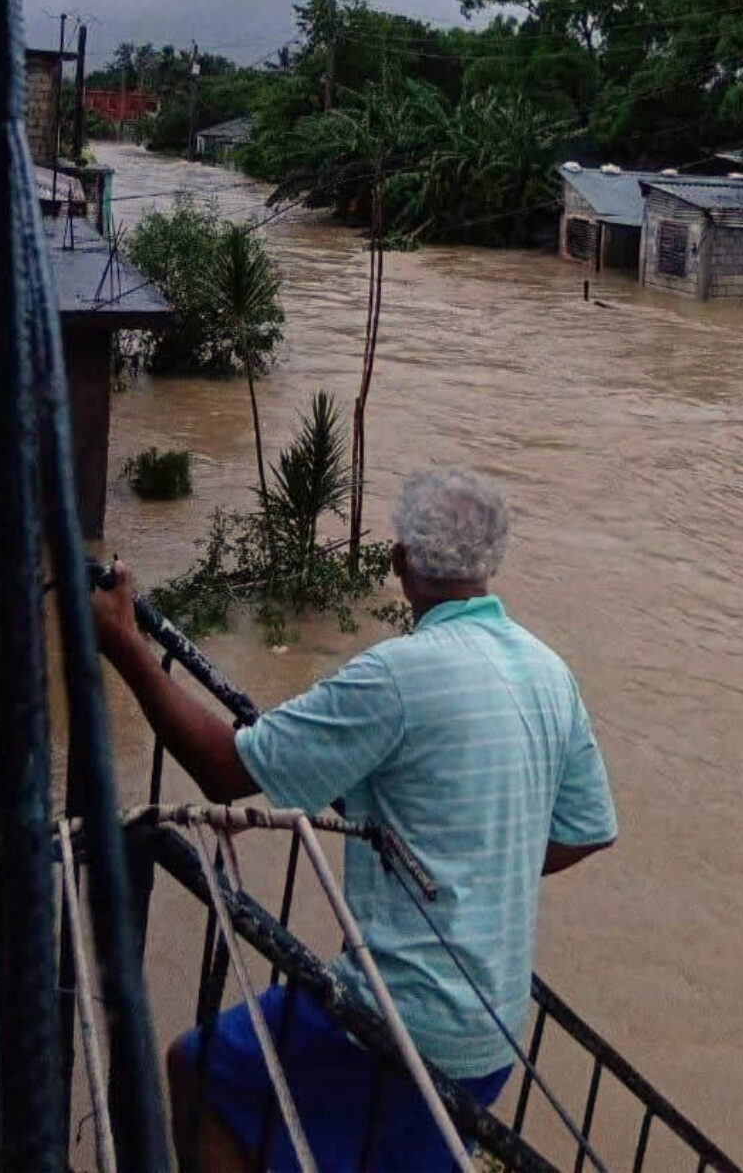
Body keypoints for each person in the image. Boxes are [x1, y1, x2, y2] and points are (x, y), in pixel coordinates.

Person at [92, 466, 617, 1172]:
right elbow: (587, 829)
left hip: (394, 1022)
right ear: (492, 561)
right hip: (492, 1030)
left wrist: (125, 644)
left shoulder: (395, 676)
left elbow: (224, 767)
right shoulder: (549, 670)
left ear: (398, 561)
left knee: (203, 1067)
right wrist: (486, 853)